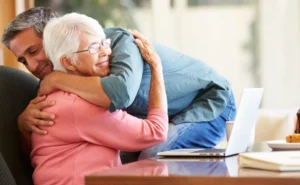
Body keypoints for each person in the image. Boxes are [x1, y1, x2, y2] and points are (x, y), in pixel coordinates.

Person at [1, 7, 236, 162]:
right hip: (157, 121)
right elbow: (41, 152)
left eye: (34, 51)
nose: (31, 66)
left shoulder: (115, 43)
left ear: (56, 36)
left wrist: (55, 78)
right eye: (23, 60)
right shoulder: (66, 86)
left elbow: (119, 94)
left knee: (152, 156)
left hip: (208, 102)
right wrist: (23, 125)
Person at [31, 12, 168, 185]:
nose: (107, 52)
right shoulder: (78, 106)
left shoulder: (62, 97)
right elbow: (156, 131)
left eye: (105, 42)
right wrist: (156, 67)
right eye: (94, 47)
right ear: (68, 62)